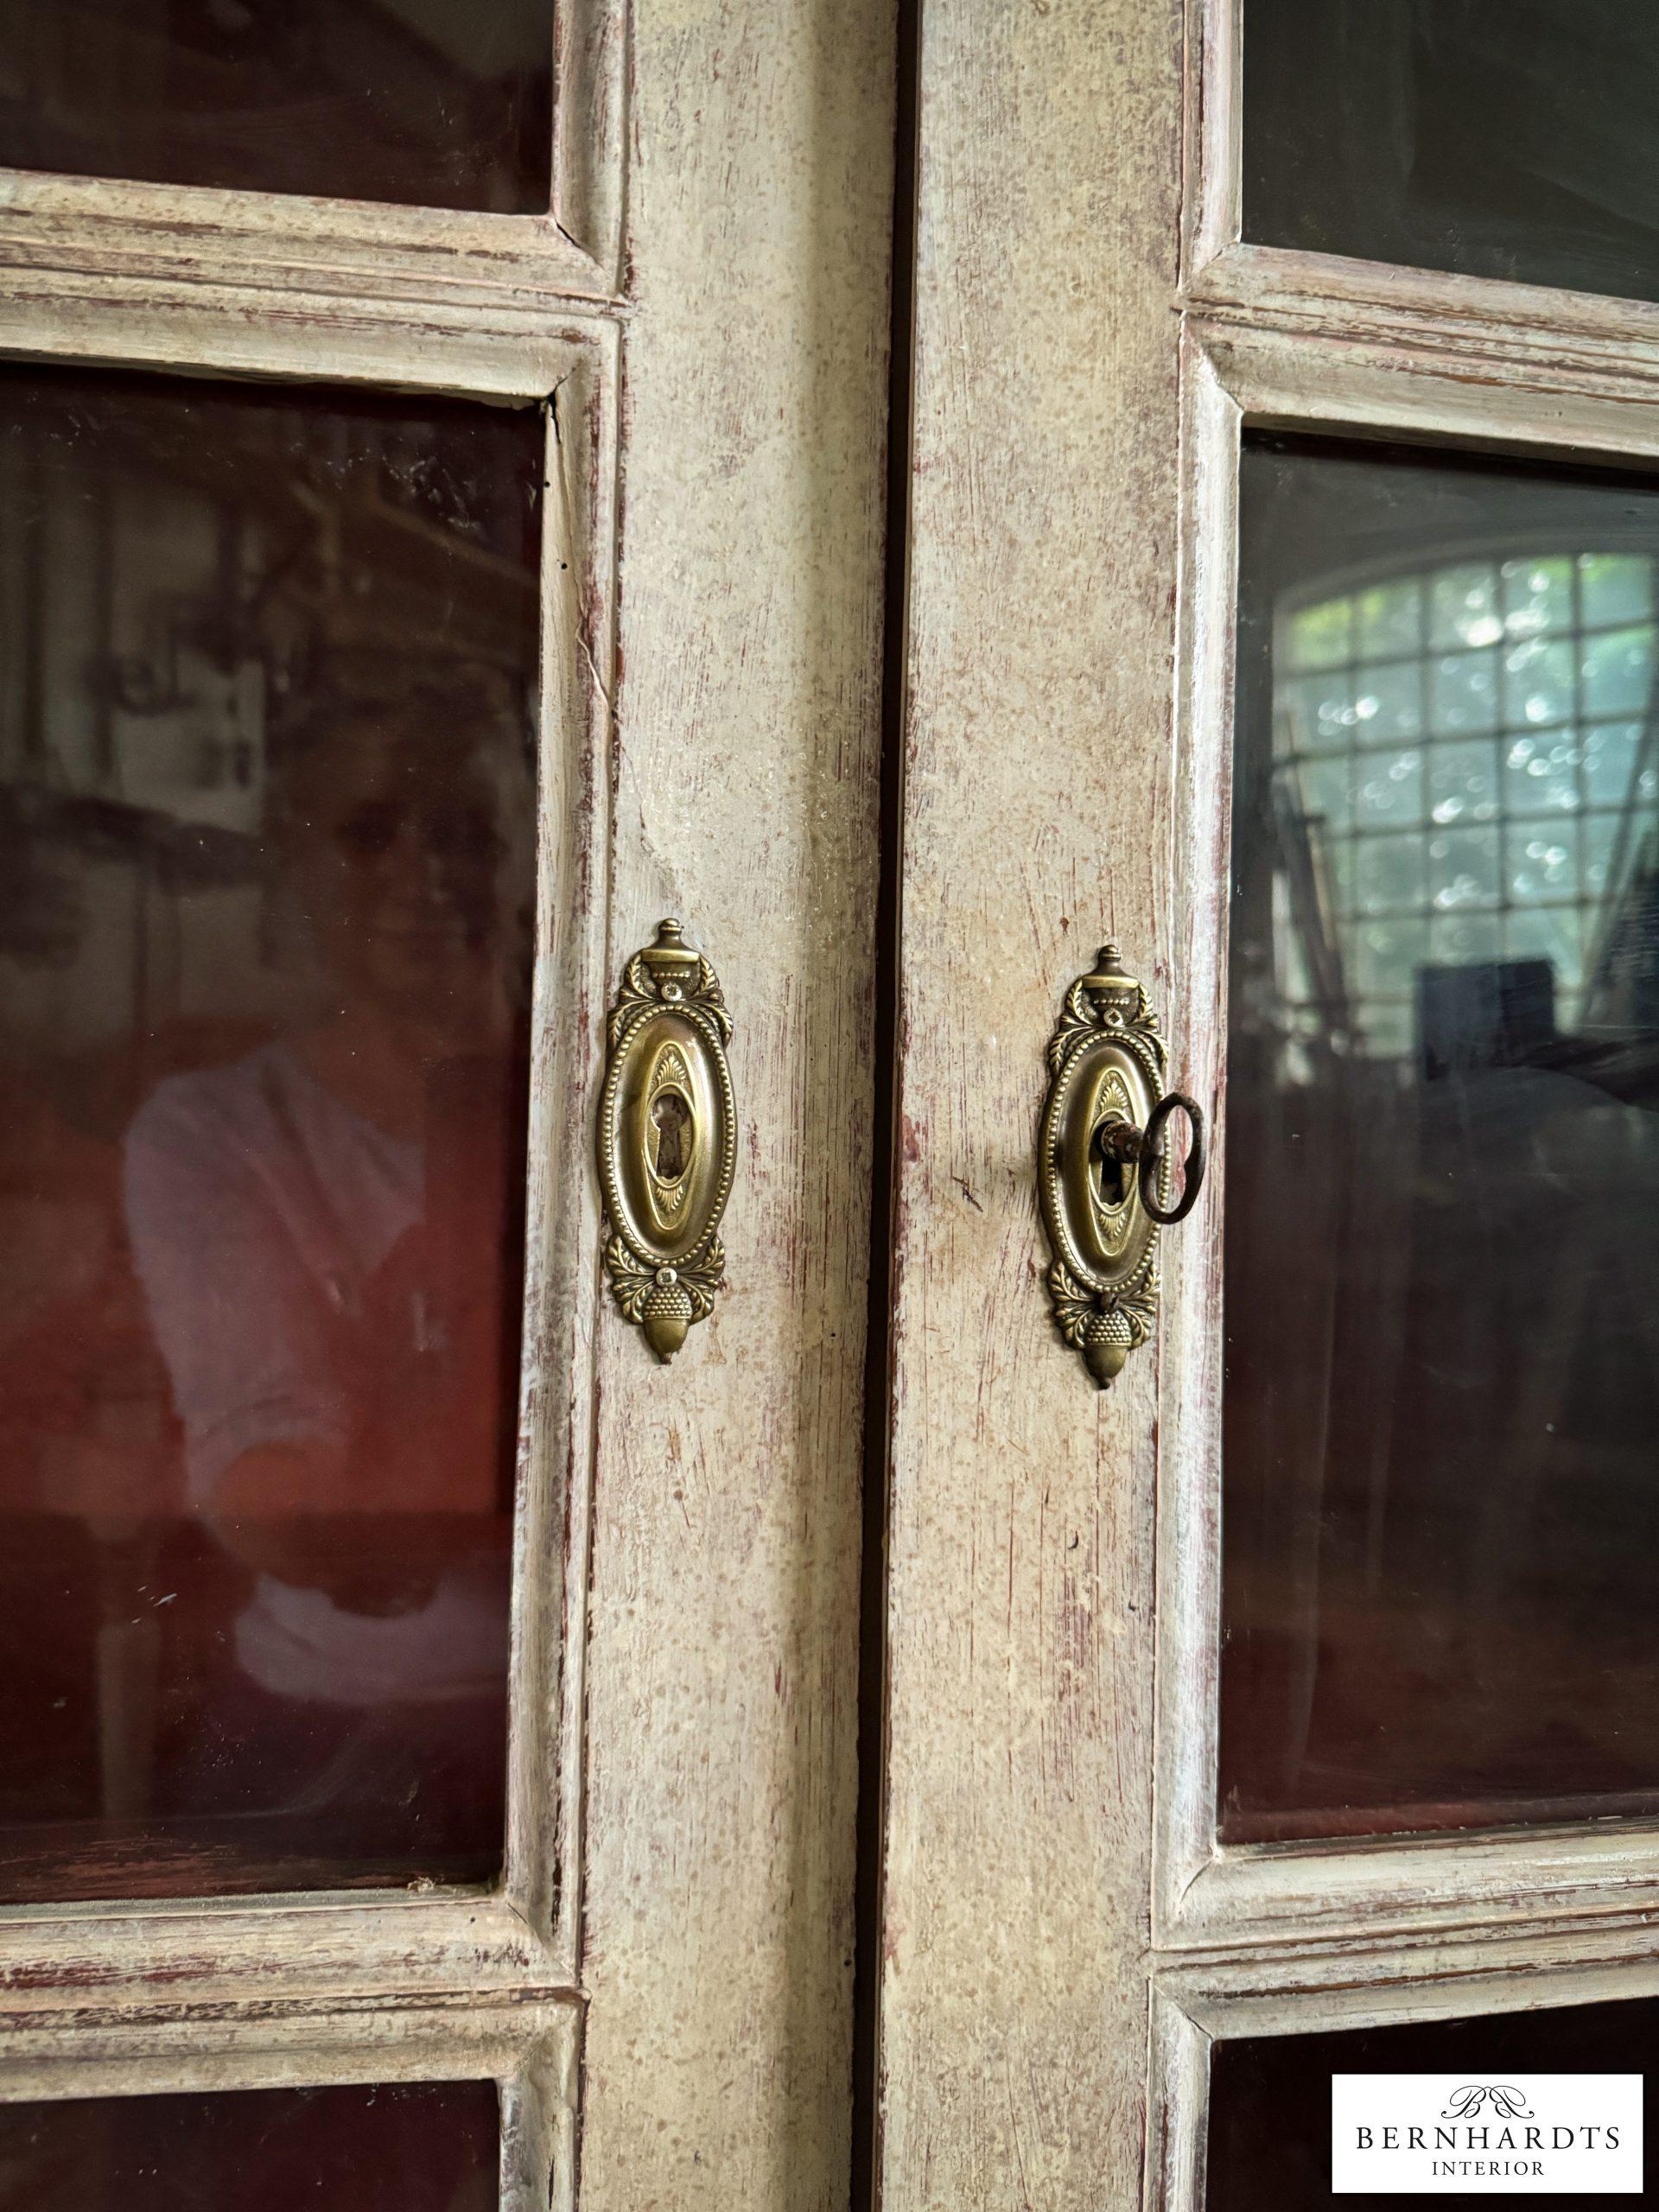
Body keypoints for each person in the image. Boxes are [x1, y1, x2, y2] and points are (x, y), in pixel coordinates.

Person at [123, 684, 533, 1871]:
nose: (426, 870)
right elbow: (284, 1505)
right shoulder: (213, 1130)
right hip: (332, 1733)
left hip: (590, 1714)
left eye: (466, 829)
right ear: (297, 866)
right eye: (370, 831)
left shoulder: (618, 1105)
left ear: (522, 853)